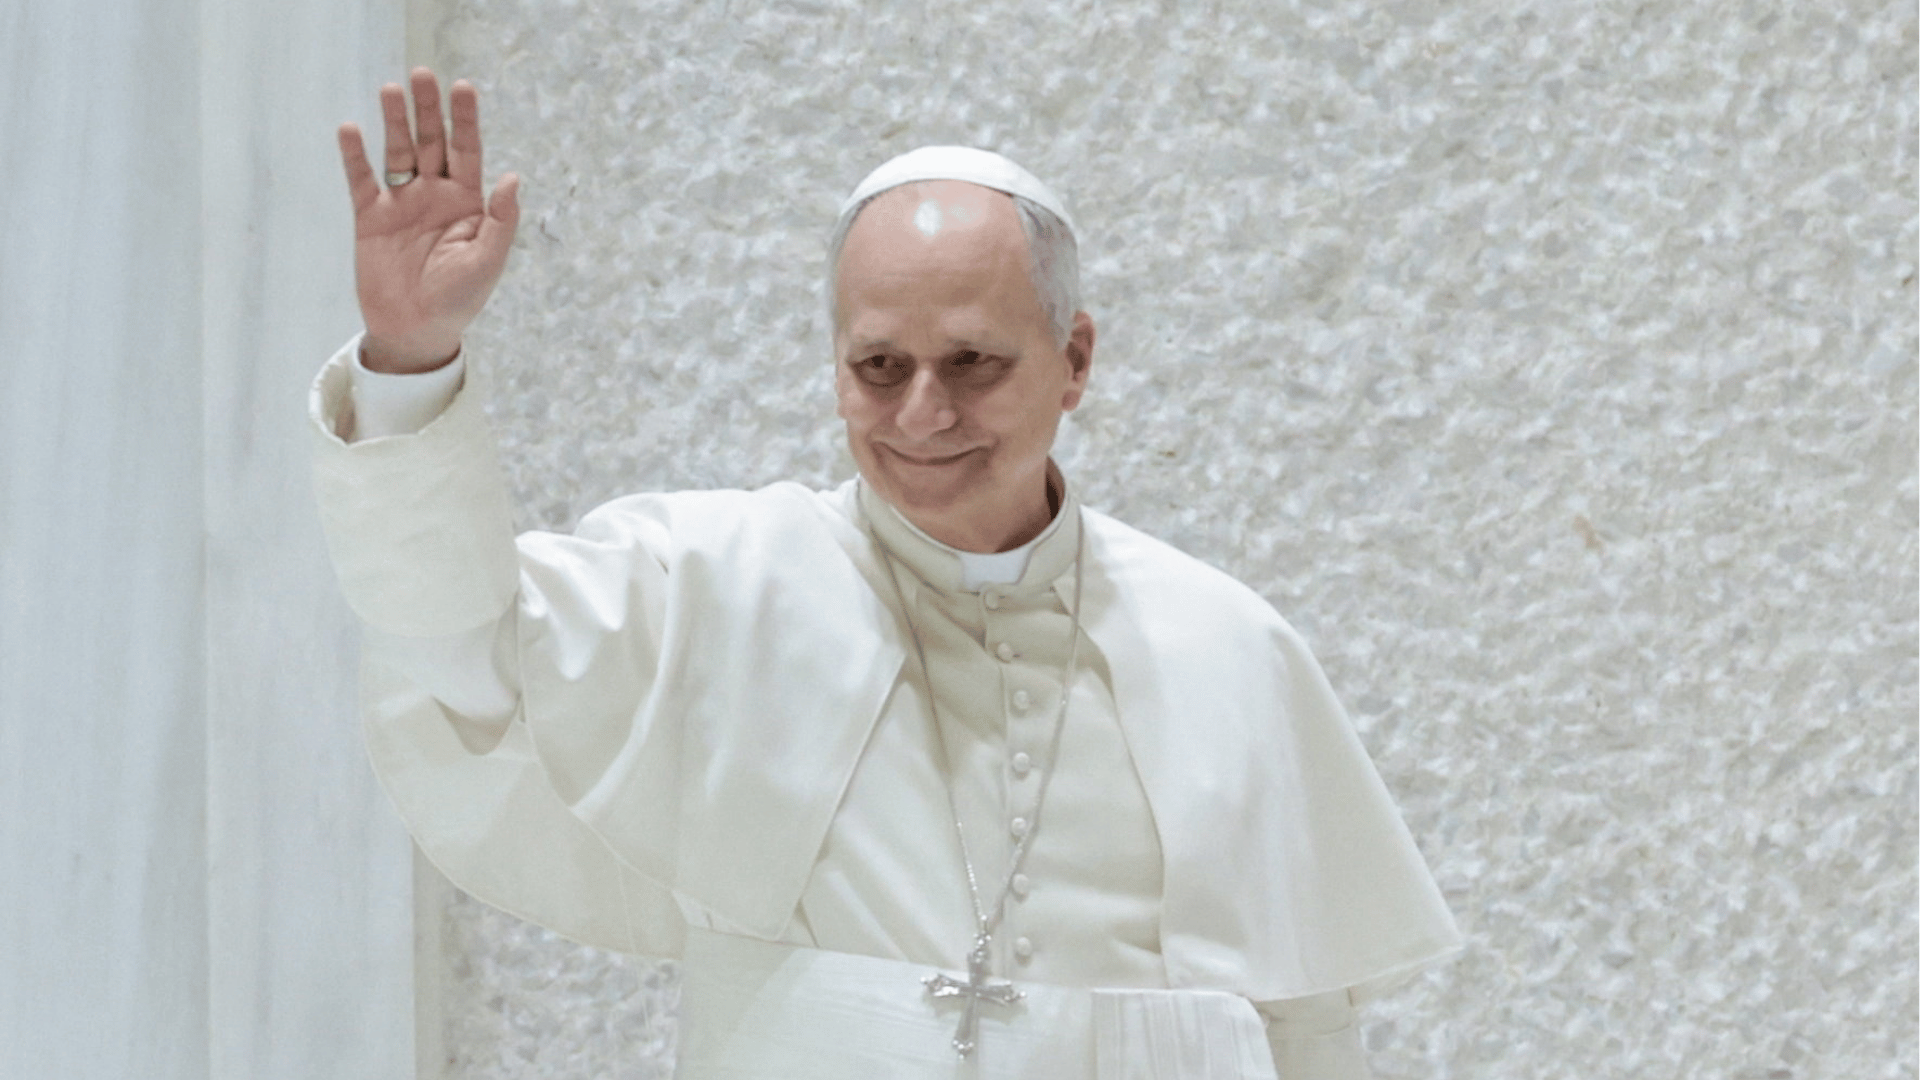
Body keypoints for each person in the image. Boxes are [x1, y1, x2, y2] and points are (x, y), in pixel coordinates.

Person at [312, 68, 1464, 1079]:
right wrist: (414, 358)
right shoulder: (721, 582)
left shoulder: (1223, 646)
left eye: (972, 362)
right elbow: (456, 654)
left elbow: (1307, 1022)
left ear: (1075, 360)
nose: (923, 413)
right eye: (877, 366)